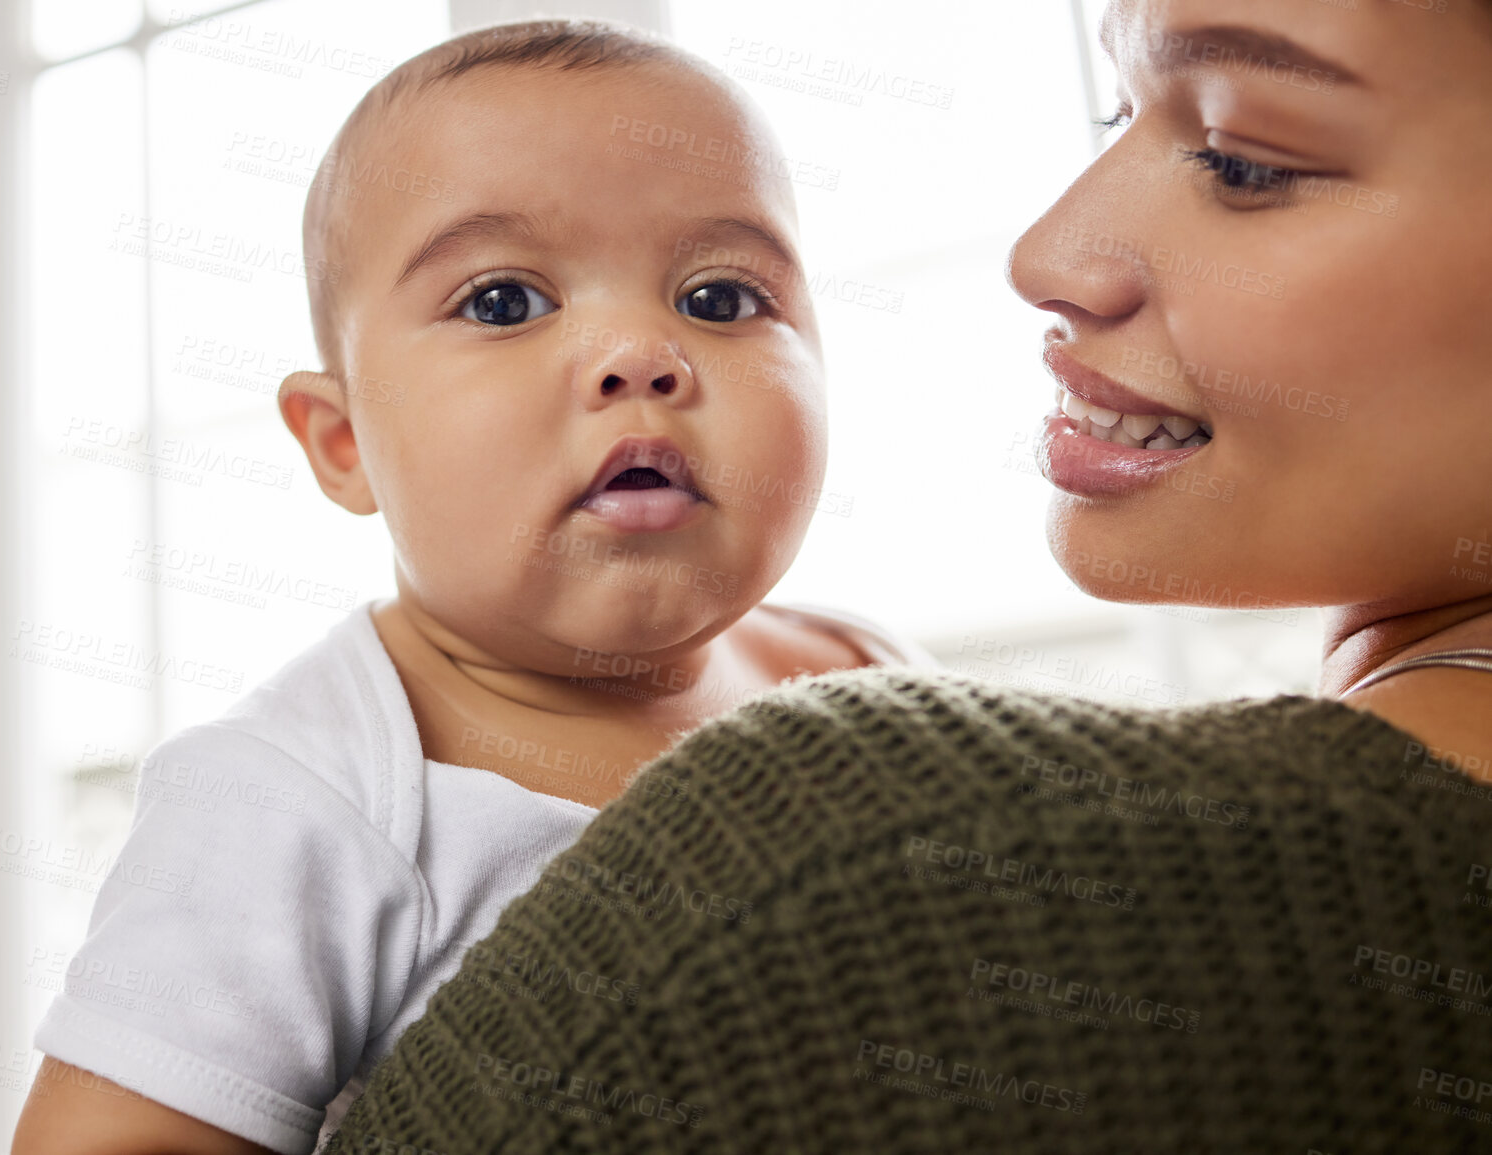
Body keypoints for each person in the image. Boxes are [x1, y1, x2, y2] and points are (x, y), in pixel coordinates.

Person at [320, 1, 1492, 1151]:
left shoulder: (855, 839)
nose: (1047, 255)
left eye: (1239, 159)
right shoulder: (307, 786)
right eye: (1119, 113)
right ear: (335, 438)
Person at [10, 20, 925, 1155]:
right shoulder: (299, 793)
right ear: (344, 445)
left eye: (721, 299)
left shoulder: (868, 676)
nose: (639, 354)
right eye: (504, 301)